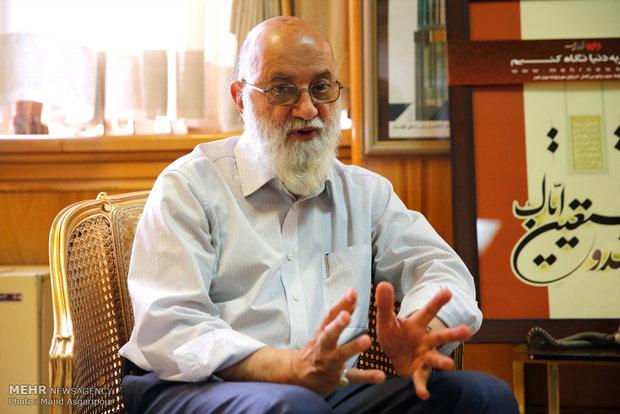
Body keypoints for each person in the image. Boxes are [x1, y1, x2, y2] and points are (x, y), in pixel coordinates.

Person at [119, 16, 519, 414]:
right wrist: (290, 368)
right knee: (293, 407)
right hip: (197, 386)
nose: (307, 107)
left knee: (482, 396)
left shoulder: (363, 193)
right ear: (241, 98)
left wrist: (421, 327)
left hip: (324, 392)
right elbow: (171, 325)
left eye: (321, 87)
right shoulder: (190, 187)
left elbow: (442, 268)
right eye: (282, 89)